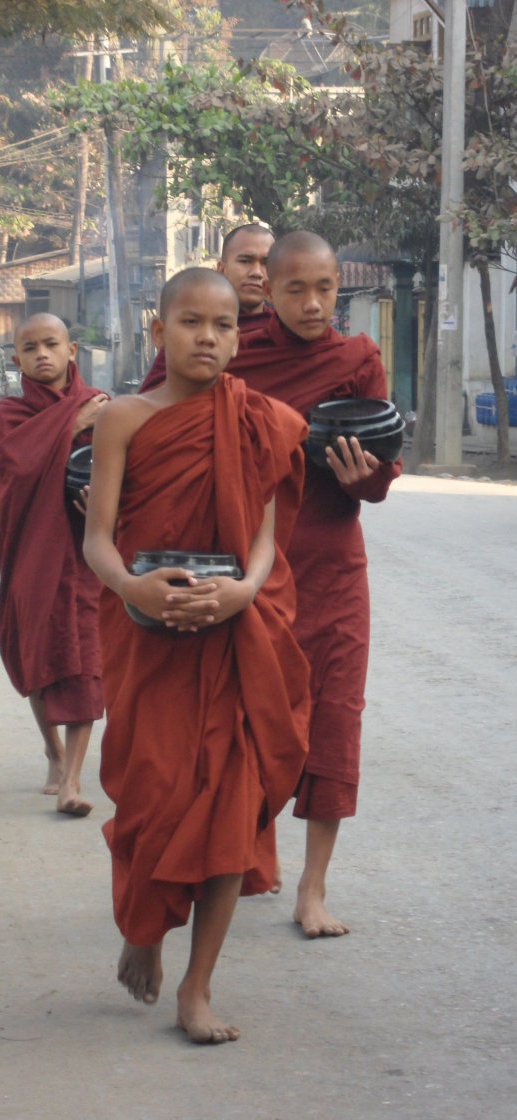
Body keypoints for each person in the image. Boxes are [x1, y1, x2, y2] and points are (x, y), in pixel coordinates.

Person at [83, 268, 310, 1043]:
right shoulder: (123, 419)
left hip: (233, 637)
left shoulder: (264, 422)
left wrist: (247, 592)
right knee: (151, 795)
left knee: (231, 804)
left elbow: (263, 540)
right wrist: (131, 591)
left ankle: (197, 988)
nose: (207, 337)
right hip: (150, 640)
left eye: (223, 325)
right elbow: (97, 540)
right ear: (159, 332)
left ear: (238, 337)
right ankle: (143, 926)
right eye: (190, 322)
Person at [226, 230, 403, 938]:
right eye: (294, 288)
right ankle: (243, 852)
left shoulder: (358, 359)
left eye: (324, 288)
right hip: (253, 568)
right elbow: (162, 411)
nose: (312, 303)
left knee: (334, 718)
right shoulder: (235, 351)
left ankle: (314, 887)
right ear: (266, 288)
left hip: (332, 566)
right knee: (247, 718)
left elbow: (383, 470)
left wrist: (370, 477)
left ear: (339, 287)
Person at [0, 313, 108, 816]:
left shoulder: (100, 405)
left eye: (51, 344)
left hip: (85, 553)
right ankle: (53, 752)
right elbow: (15, 465)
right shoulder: (8, 416)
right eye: (31, 348)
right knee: (41, 658)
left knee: (85, 660)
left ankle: (72, 781)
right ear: (15, 360)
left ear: (71, 350)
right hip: (31, 551)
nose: (42, 354)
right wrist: (70, 425)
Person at [140, 223, 275, 391]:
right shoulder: (190, 328)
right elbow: (155, 399)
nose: (257, 272)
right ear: (221, 269)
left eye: (266, 263)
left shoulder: (282, 331)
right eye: (245, 261)